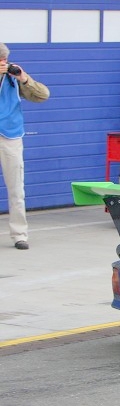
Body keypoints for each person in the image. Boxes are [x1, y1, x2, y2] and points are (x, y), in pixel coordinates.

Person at [0, 42, 50, 250]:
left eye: (5, 59)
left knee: (16, 188)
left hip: (10, 135)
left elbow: (42, 95)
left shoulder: (14, 79)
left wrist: (24, 78)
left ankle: (19, 234)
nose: (4, 63)